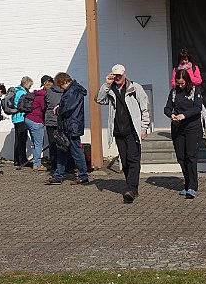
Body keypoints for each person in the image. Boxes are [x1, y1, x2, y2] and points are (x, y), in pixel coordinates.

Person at [96, 64, 150, 203]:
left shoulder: (135, 88)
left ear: (125, 74)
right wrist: (106, 84)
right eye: (116, 75)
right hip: (119, 131)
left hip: (133, 130)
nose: (118, 78)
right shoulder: (111, 89)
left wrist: (144, 128)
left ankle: (131, 188)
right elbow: (99, 100)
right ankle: (132, 186)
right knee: (124, 161)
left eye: (120, 75)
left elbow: (145, 108)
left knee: (133, 158)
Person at [44, 72, 90, 185]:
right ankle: (58, 176)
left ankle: (83, 176)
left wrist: (58, 110)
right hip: (68, 126)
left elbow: (68, 108)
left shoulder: (73, 91)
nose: (60, 87)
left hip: (72, 126)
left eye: (60, 85)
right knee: (62, 150)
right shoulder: (72, 90)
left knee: (76, 152)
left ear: (65, 82)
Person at [164, 70, 204, 199]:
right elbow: (167, 108)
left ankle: (192, 186)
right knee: (181, 157)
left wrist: (184, 115)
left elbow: (197, 108)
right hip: (177, 128)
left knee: (190, 156)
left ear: (186, 81)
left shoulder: (194, 91)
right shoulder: (174, 92)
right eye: (177, 83)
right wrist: (171, 115)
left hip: (192, 127)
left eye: (182, 83)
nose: (180, 85)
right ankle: (186, 184)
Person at [24, 77, 47, 172]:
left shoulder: (35, 95)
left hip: (28, 119)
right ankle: (37, 164)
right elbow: (45, 109)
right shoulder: (43, 97)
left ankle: (35, 161)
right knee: (38, 144)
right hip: (36, 120)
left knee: (34, 143)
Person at [41, 75, 62, 173]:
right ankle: (66, 165)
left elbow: (45, 105)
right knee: (63, 143)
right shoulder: (64, 92)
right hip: (60, 120)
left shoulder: (48, 92)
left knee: (52, 144)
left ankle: (54, 166)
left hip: (50, 120)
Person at [11, 76, 32, 170]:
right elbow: (23, 106)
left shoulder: (16, 91)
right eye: (29, 86)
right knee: (22, 140)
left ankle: (16, 160)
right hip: (21, 118)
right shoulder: (23, 93)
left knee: (17, 139)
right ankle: (22, 160)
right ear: (26, 84)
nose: (30, 88)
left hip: (15, 118)